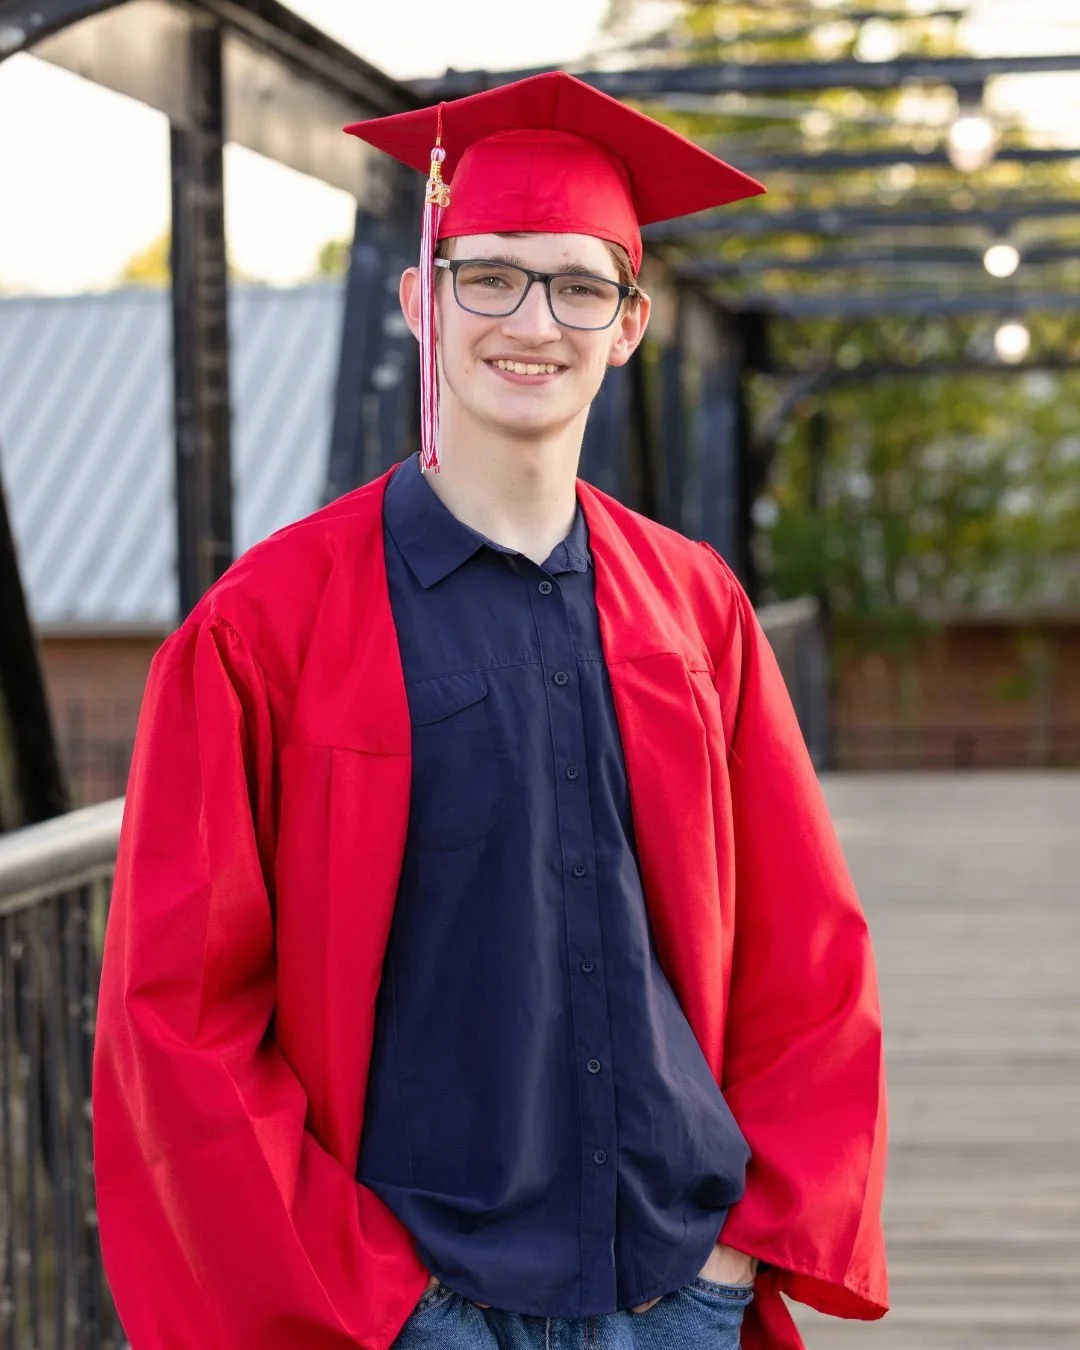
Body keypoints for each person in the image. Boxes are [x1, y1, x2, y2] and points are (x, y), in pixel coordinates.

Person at [93, 73, 887, 1350]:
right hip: (415, 1302)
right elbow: (177, 1014)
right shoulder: (265, 629)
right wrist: (374, 1300)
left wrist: (742, 1253)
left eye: (579, 284)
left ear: (628, 325)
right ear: (422, 300)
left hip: (676, 1287)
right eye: (493, 276)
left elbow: (812, 960)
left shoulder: (700, 615)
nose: (535, 320)